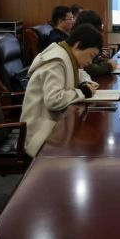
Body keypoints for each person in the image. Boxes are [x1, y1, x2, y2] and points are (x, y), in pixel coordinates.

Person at [21, 24, 103, 157]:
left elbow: (83, 76)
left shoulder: (69, 56)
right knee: (75, 156)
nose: (90, 62)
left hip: (57, 126)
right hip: (41, 134)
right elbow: (54, 100)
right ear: (78, 45)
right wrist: (83, 92)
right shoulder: (56, 61)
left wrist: (84, 84)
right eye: (91, 55)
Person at [74, 10, 116, 76]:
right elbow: (87, 69)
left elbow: (96, 59)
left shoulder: (90, 40)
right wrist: (109, 66)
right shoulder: (81, 41)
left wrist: (107, 61)